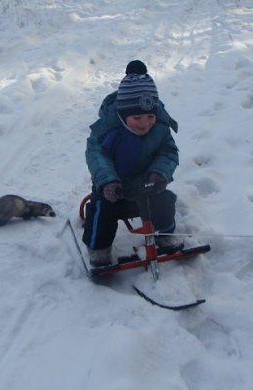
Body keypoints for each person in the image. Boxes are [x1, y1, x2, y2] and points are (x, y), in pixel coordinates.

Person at [82, 60, 180, 267]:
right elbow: (96, 154)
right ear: (123, 114)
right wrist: (108, 182)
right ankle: (98, 247)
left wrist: (159, 173)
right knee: (102, 210)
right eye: (137, 117)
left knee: (164, 201)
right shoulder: (108, 130)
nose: (145, 122)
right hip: (115, 186)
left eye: (150, 116)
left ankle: (164, 235)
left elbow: (168, 152)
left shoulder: (160, 128)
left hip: (146, 183)